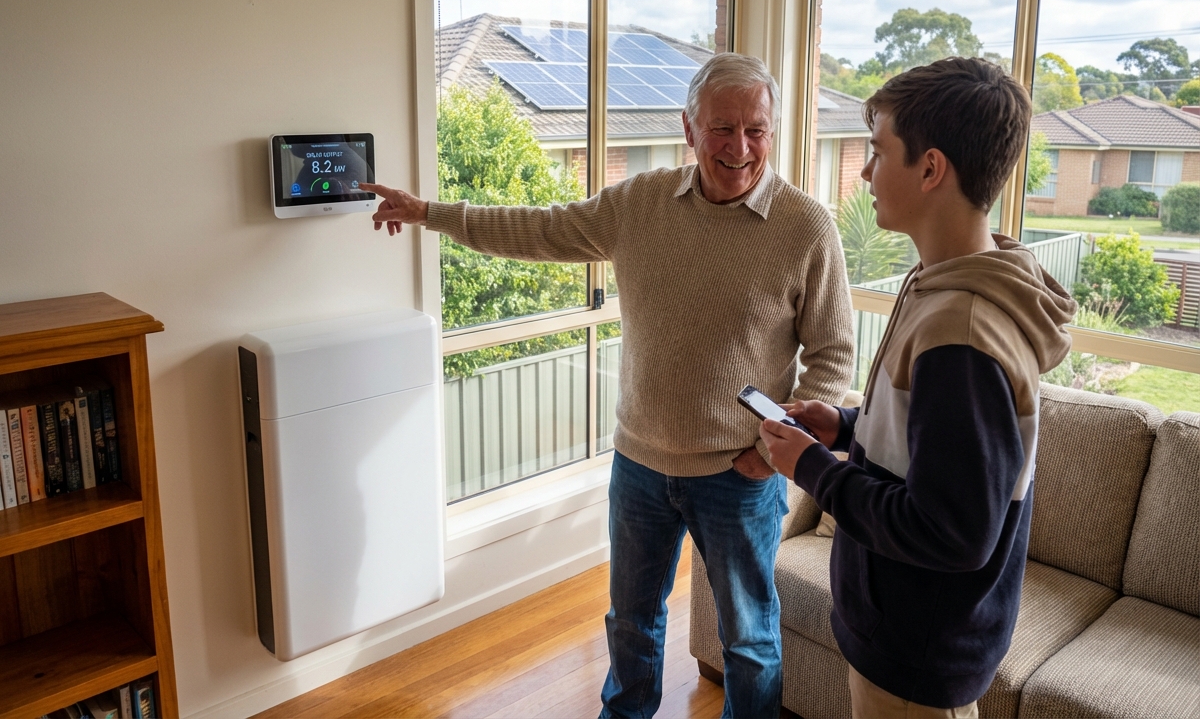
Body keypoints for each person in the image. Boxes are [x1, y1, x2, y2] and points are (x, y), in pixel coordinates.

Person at [362, 53, 855, 719]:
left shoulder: (806, 226)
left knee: (749, 642)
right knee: (631, 625)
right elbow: (541, 228)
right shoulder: (641, 203)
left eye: (756, 130)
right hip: (640, 467)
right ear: (689, 128)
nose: (739, 147)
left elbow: (832, 356)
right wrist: (429, 213)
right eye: (721, 128)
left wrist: (769, 454)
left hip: (737, 477)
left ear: (772, 131)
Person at [762, 57, 1077, 719]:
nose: (867, 173)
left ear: (931, 168)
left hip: (915, 660)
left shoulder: (963, 332)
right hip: (903, 640)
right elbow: (932, 451)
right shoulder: (943, 286)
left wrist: (812, 468)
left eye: (878, 154)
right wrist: (844, 429)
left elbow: (952, 534)